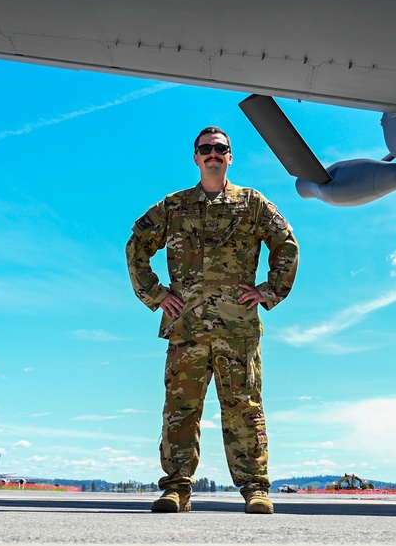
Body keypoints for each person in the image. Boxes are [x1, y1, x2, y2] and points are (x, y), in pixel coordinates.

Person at [126, 126, 299, 514]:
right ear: (195, 157)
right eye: (206, 149)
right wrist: (155, 295)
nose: (213, 154)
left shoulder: (252, 203)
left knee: (244, 407)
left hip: (236, 328)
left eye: (220, 149)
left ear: (230, 156)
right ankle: (176, 489)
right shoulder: (174, 206)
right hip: (186, 327)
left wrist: (268, 291)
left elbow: (285, 244)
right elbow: (136, 245)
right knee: (180, 408)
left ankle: (255, 488)